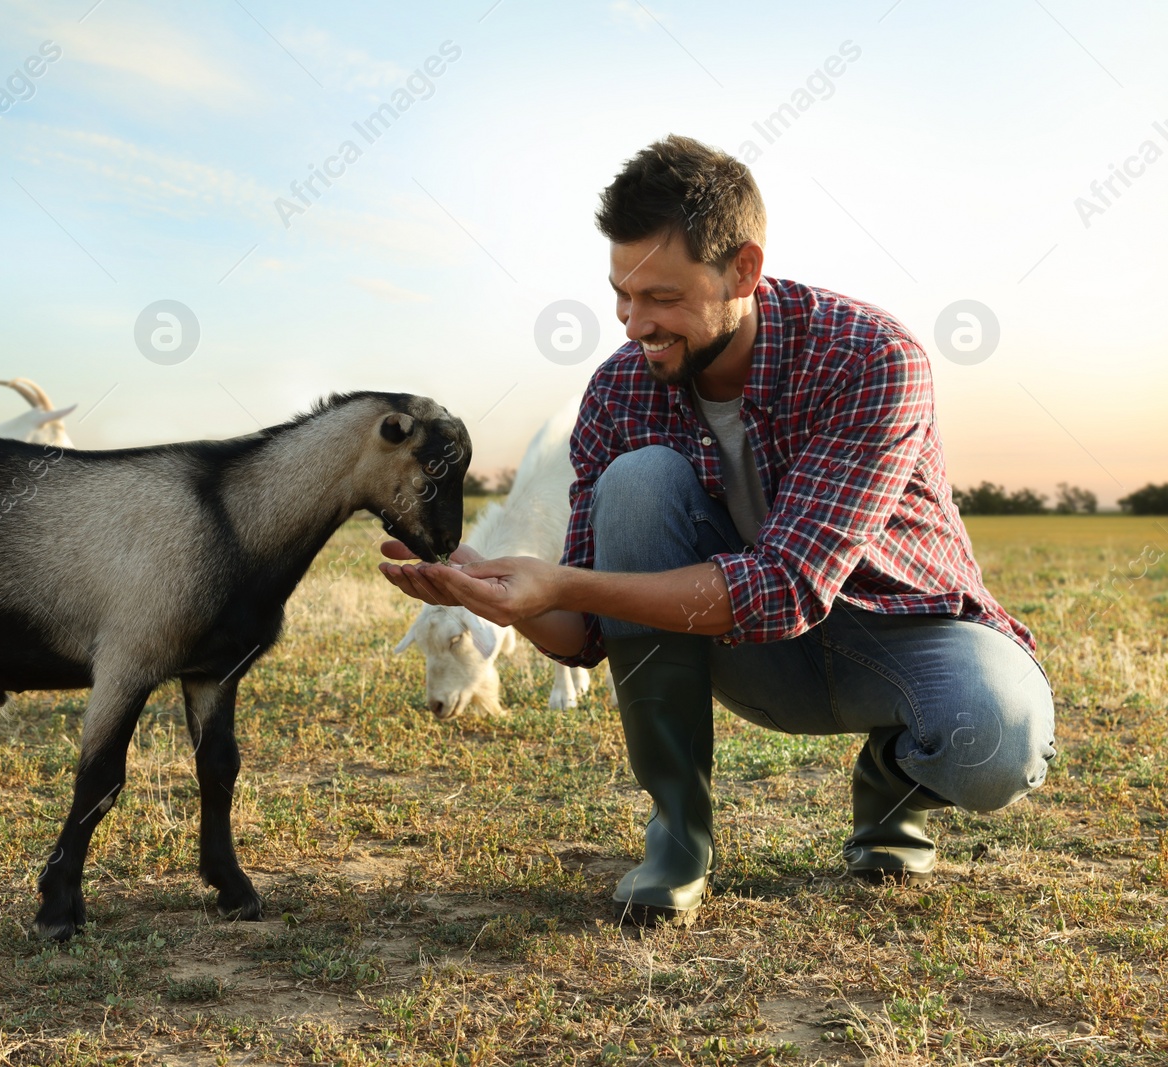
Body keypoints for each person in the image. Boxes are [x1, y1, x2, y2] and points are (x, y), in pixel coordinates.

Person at [379, 134, 1056, 927]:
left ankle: (891, 788)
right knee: (637, 481)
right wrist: (505, 594)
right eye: (621, 296)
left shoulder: (870, 355)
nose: (636, 325)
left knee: (1000, 737)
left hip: (896, 631)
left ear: (744, 268)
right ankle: (678, 839)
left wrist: (563, 580)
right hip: (750, 654)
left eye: (662, 297)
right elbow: (592, 632)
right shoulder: (617, 393)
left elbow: (787, 586)